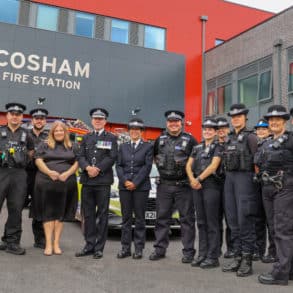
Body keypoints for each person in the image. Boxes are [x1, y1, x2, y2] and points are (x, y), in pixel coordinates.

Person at [149, 110, 197, 263]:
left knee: (187, 220)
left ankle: (188, 252)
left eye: (176, 121)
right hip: (164, 186)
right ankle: (159, 249)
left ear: (181, 122)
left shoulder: (190, 140)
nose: (173, 124)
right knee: (162, 219)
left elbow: (195, 160)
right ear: (166, 123)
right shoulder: (160, 140)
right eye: (171, 121)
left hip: (183, 186)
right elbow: (155, 158)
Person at [257, 105, 293, 285]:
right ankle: (289, 268)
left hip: (285, 187)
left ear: (284, 121)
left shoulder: (291, 140)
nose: (274, 122)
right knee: (274, 229)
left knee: (283, 230)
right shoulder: (266, 143)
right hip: (268, 188)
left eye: (278, 119)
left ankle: (280, 273)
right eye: (271, 120)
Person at [76, 108, 118, 259]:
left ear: (105, 121)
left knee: (102, 215)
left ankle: (99, 248)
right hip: (87, 181)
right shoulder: (86, 137)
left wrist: (98, 169)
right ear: (92, 121)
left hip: (102, 182)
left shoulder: (111, 138)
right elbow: (80, 155)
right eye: (95, 119)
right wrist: (87, 167)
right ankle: (89, 245)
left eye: (101, 119)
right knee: (88, 215)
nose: (98, 121)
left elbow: (112, 157)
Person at [31, 121, 78, 255]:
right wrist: (49, 172)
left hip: (65, 184)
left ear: (65, 132)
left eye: (61, 130)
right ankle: (48, 244)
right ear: (52, 132)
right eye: (56, 131)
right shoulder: (44, 144)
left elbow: (77, 162)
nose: (59, 133)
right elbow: (38, 160)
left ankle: (56, 244)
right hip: (46, 183)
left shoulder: (73, 146)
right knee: (48, 214)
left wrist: (68, 173)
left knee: (59, 215)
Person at [222, 103, 258, 277]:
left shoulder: (251, 137)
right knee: (232, 220)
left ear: (245, 118)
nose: (235, 119)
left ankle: (247, 260)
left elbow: (258, 162)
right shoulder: (228, 138)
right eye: (233, 117)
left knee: (245, 220)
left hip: (245, 181)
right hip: (230, 180)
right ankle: (237, 256)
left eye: (239, 116)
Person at [186, 118, 223, 268]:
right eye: (205, 129)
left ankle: (213, 256)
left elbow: (214, 166)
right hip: (196, 186)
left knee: (211, 222)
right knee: (200, 222)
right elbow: (188, 165)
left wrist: (198, 179)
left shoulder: (218, 147)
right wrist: (192, 179)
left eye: (210, 129)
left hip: (211, 186)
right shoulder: (197, 147)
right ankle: (202, 254)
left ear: (215, 132)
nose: (207, 131)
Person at [116, 118, 153, 259]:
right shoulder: (123, 146)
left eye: (137, 130)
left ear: (141, 132)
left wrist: (135, 182)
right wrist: (125, 181)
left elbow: (147, 166)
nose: (134, 132)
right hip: (124, 187)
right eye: (132, 130)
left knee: (139, 219)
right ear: (129, 131)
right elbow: (118, 165)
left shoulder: (148, 146)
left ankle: (138, 249)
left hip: (141, 188)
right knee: (126, 219)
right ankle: (125, 248)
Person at [0, 102, 34, 255]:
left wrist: (23, 160)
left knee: (16, 209)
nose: (15, 117)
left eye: (18, 115)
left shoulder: (27, 134)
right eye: (12, 114)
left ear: (22, 117)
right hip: (1, 172)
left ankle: (11, 242)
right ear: (7, 115)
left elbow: (31, 152)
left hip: (19, 174)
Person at [253, 118, 275, 263]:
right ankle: (259, 250)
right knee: (258, 220)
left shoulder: (274, 144)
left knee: (272, 221)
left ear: (270, 131)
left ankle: (273, 251)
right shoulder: (256, 144)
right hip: (257, 186)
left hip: (271, 186)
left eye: (264, 129)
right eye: (259, 129)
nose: (261, 131)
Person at [26, 108, 49, 249]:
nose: (39, 120)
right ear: (32, 120)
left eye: (41, 118)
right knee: (15, 207)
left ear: (45, 121)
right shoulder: (25, 134)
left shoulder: (49, 136)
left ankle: (39, 239)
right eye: (36, 118)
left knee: (39, 207)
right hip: (24, 174)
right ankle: (10, 238)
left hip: (41, 176)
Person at [216, 117, 233, 259]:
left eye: (224, 127)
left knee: (231, 220)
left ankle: (231, 249)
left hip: (230, 185)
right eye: (218, 128)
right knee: (215, 220)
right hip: (214, 186)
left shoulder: (232, 143)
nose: (221, 130)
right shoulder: (210, 145)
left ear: (228, 128)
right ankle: (216, 249)